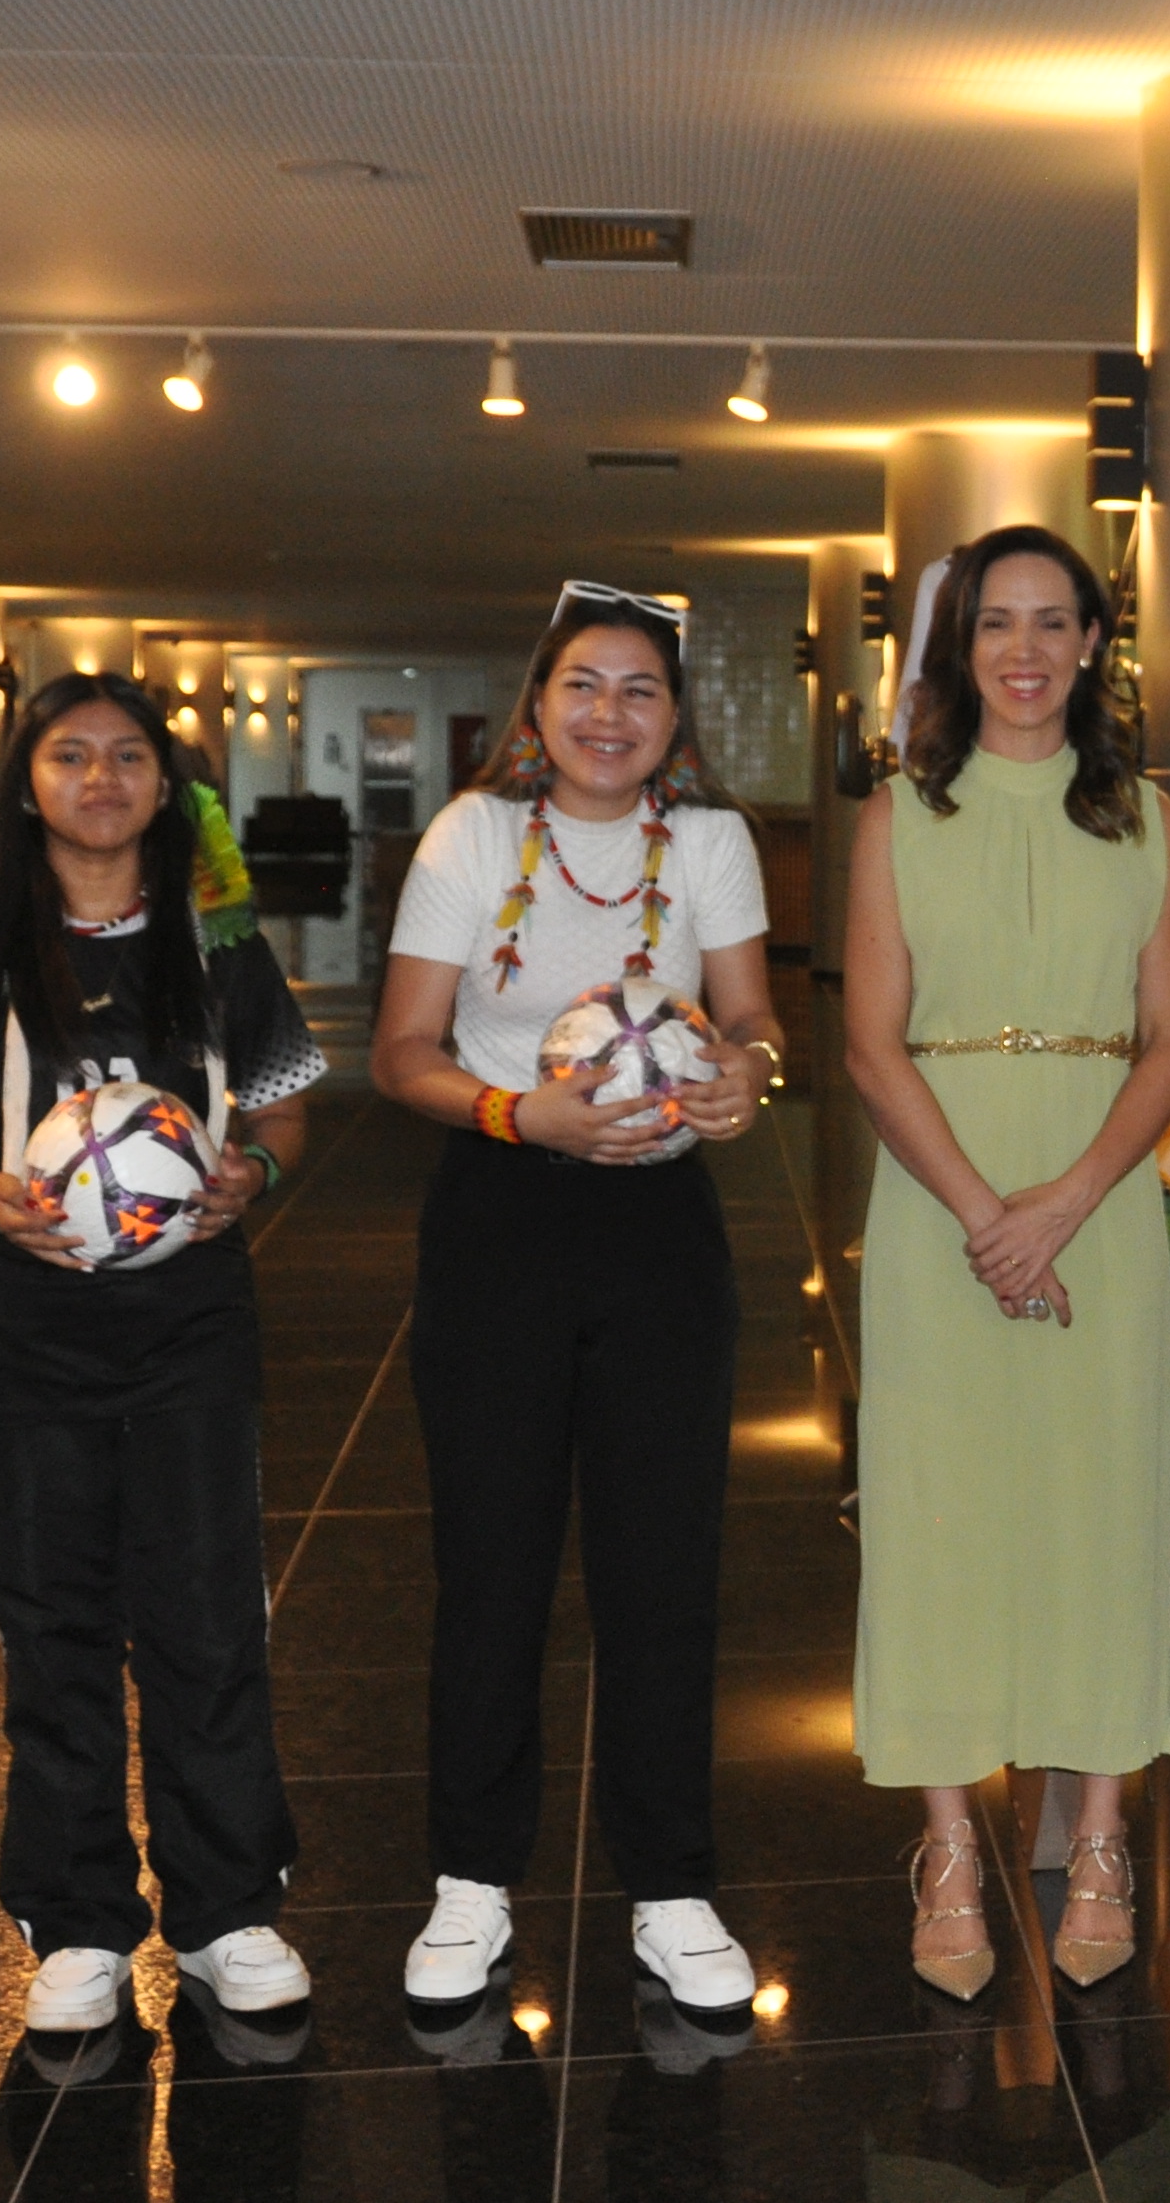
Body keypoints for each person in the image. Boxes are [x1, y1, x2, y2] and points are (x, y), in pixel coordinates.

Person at [0, 674, 326, 2038]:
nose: (103, 779)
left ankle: (231, 1910)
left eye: (131, 756)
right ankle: (74, 1924)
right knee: (52, 1626)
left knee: (204, 1623)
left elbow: (289, 1111)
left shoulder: (217, 942)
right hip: (27, 1334)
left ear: (167, 789)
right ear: (28, 785)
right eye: (73, 756)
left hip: (190, 1328)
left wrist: (248, 1172)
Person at [372, 584, 783, 2023]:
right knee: (493, 1565)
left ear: (675, 723)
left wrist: (749, 1076)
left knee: (663, 1567)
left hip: (661, 1226)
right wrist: (516, 1116)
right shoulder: (472, 837)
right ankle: (472, 1884)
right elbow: (401, 1052)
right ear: (537, 709)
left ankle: (670, 1887)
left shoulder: (713, 843)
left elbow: (754, 1020)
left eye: (642, 692)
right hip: (501, 1211)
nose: (611, 714)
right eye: (584, 687)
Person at [842, 526, 1170, 1997]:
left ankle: (1103, 1835)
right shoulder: (895, 817)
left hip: (1101, 1205)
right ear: (960, 647)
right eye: (1000, 624)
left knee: (1100, 1507)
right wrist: (990, 1209)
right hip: (938, 1207)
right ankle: (946, 1847)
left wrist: (1061, 1203)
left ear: (1096, 647)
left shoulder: (1150, 819)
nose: (1028, 651)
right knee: (937, 1515)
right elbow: (867, 1044)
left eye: (1057, 623)